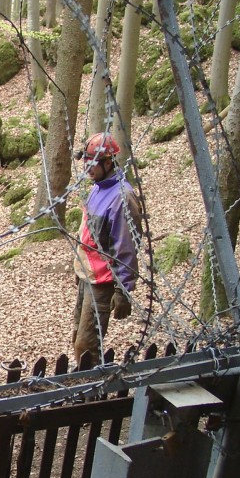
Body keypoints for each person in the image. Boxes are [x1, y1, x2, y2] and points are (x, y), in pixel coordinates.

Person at [72, 133, 142, 368]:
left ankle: (89, 395)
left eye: (93, 163)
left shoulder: (122, 198)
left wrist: (123, 290)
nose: (88, 168)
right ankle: (82, 384)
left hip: (102, 281)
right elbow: (88, 235)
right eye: (86, 162)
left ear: (108, 163)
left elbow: (127, 247)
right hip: (87, 275)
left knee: (87, 345)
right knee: (77, 337)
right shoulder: (97, 188)